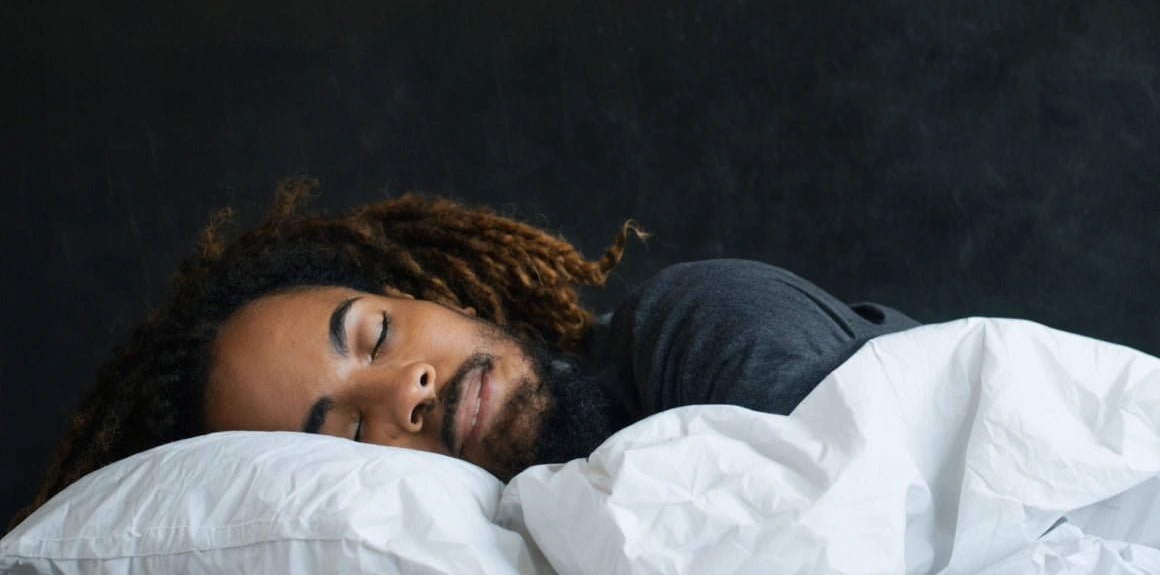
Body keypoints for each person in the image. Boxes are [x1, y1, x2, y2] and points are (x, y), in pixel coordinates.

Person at [13, 178, 918, 529]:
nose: (404, 387)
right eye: (349, 439)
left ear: (433, 297)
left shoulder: (699, 325)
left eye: (375, 334)